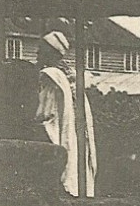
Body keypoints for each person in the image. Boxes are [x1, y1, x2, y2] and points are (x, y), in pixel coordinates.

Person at [35, 31, 97, 197]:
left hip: (58, 133)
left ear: (52, 53)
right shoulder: (69, 77)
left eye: (41, 50)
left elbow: (47, 114)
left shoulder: (52, 76)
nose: (37, 54)